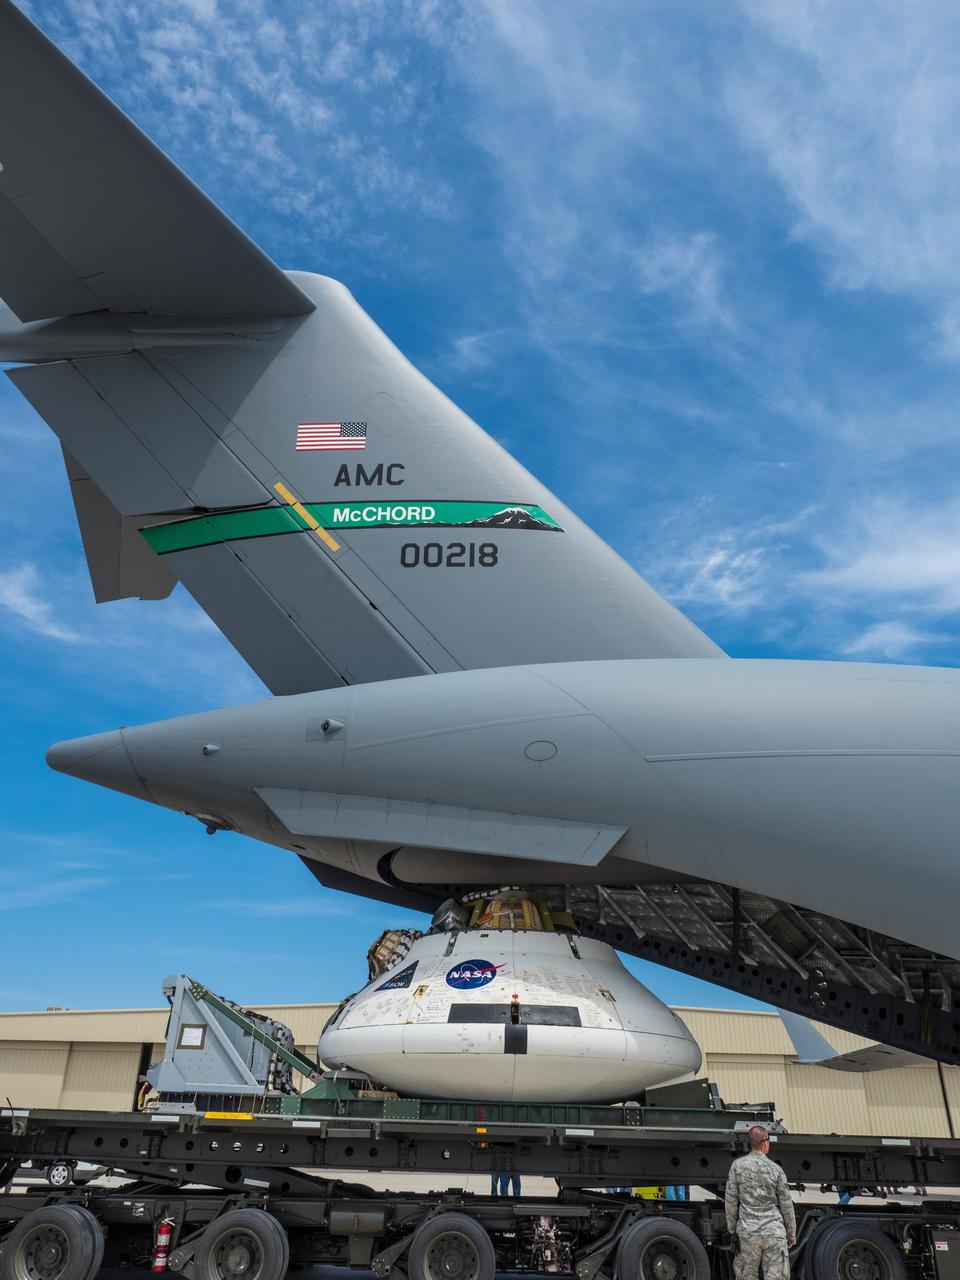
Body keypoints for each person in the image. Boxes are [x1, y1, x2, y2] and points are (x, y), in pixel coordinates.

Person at [725, 1125, 796, 1280]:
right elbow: (786, 1205)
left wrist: (732, 1231)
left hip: (748, 1233)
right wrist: (791, 1235)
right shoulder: (776, 1169)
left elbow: (730, 1201)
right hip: (774, 1233)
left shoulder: (737, 1166)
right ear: (766, 1143)